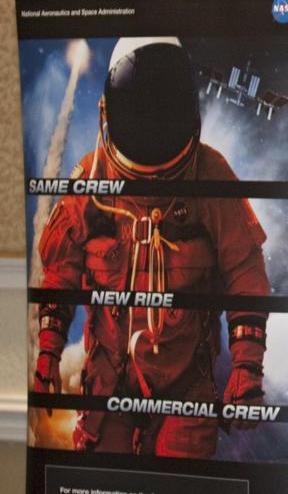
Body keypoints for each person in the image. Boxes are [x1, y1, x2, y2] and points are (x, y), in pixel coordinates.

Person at [33, 38, 270, 456]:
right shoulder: (90, 179)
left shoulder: (211, 175)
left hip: (186, 388)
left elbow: (245, 272)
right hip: (108, 384)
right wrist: (48, 352)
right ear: (108, 113)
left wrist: (247, 367)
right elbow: (61, 271)